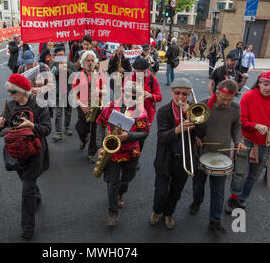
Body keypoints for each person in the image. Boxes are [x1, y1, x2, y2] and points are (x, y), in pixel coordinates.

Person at [0, 73, 51, 240]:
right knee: (28, 183)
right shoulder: (10, 105)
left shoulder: (39, 106)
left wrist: (32, 126)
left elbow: (47, 129)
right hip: (15, 152)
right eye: (9, 92)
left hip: (34, 153)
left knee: (26, 191)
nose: (10, 95)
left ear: (23, 91)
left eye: (13, 92)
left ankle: (28, 229)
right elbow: (4, 127)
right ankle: (37, 194)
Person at [225, 71, 270, 214]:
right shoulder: (248, 96)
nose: (268, 88)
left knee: (253, 175)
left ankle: (243, 198)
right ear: (259, 82)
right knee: (240, 172)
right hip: (246, 139)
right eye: (265, 84)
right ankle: (233, 197)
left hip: (265, 143)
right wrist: (255, 125)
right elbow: (241, 120)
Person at [189, 79, 247, 233]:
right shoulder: (203, 105)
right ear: (217, 93)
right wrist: (195, 136)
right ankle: (197, 200)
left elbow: (236, 127)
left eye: (230, 99)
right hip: (201, 152)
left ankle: (215, 221)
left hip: (222, 154)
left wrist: (239, 141)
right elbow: (192, 125)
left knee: (218, 190)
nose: (227, 102)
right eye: (224, 99)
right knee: (198, 184)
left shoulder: (235, 108)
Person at [150, 78, 207, 229]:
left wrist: (191, 115)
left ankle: (168, 214)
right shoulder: (163, 111)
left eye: (184, 94)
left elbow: (202, 133)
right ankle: (157, 210)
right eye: (177, 93)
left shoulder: (194, 110)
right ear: (171, 92)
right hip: (165, 158)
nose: (181, 97)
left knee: (176, 191)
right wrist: (177, 130)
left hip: (185, 159)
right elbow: (161, 137)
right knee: (161, 192)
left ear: (189, 94)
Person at [96, 81, 150, 226]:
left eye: (134, 97)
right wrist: (100, 146)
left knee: (126, 180)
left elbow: (144, 133)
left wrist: (129, 136)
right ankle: (112, 212)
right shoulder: (110, 107)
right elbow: (100, 124)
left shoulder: (141, 111)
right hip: (111, 151)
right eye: (128, 95)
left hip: (131, 152)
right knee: (111, 183)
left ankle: (121, 194)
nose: (130, 99)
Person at [73, 51, 107, 163]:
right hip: (83, 106)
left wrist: (100, 90)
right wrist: (81, 104)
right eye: (88, 60)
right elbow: (73, 93)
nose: (90, 63)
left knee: (95, 130)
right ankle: (83, 138)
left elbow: (106, 92)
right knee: (81, 128)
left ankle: (91, 152)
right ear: (83, 62)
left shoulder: (100, 75)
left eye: (92, 60)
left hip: (96, 106)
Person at [50, 47, 76, 142]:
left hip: (69, 91)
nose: (61, 57)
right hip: (58, 92)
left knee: (68, 111)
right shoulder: (54, 64)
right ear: (56, 56)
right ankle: (58, 132)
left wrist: (67, 70)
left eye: (62, 55)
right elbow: (51, 75)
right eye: (59, 55)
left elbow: (75, 75)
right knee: (58, 113)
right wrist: (58, 69)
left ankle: (67, 127)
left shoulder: (69, 64)